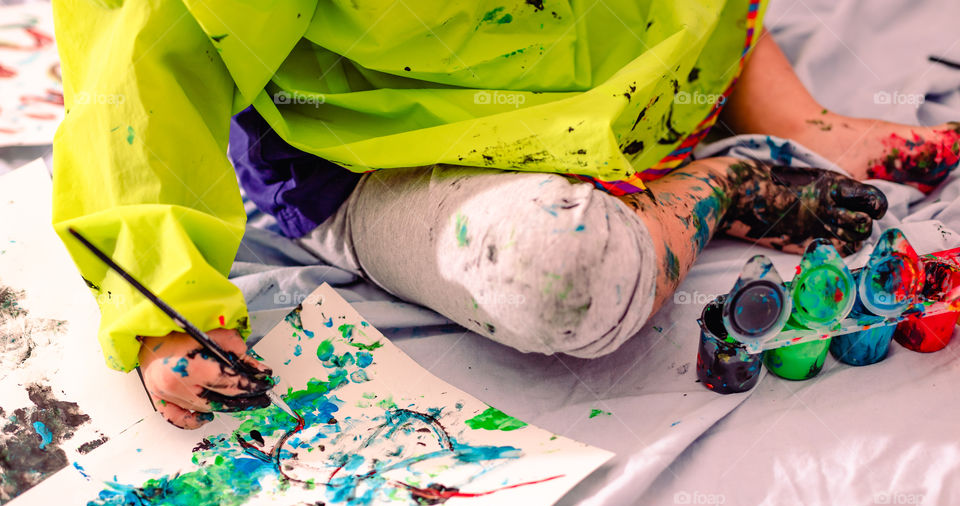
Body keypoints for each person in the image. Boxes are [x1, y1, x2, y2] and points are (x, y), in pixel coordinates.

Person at [51, 0, 959, 429]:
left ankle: (789, 120)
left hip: (640, 74)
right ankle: (720, 183)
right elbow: (136, 72)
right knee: (558, 274)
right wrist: (165, 304)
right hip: (387, 148)